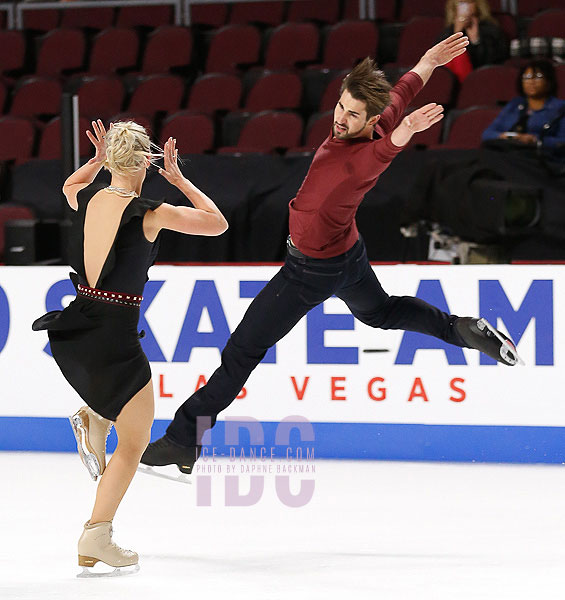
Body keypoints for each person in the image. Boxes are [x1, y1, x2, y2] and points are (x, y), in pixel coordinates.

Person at [141, 33, 521, 476]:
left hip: (308, 272)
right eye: (341, 106)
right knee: (380, 311)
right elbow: (400, 93)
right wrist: (428, 61)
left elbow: (386, 148)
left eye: (352, 114)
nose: (341, 118)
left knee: (241, 351)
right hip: (348, 257)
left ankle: (183, 438)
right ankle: (460, 330)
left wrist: (406, 133)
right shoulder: (374, 120)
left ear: (371, 120)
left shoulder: (366, 154)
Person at [32, 120, 227, 575]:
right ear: (143, 161)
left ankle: (95, 417)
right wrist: (180, 181)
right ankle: (96, 532)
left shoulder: (86, 197)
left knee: (127, 419)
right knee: (136, 439)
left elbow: (70, 183)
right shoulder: (149, 211)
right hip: (115, 336)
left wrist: (95, 162)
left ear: (112, 159)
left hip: (79, 324)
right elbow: (217, 225)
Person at [482, 59, 565, 158]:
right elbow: (487, 134)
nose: (531, 82)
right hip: (508, 152)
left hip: (541, 158)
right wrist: (504, 136)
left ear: (549, 81)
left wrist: (534, 139)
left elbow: (562, 142)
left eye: (538, 77)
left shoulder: (560, 107)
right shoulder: (515, 105)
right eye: (527, 77)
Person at [439, 0, 507, 81]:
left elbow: (495, 57)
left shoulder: (489, 28)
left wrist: (476, 40)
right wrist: (456, 32)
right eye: (461, 3)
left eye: (469, 3)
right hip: (452, 77)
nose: (465, 7)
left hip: (482, 74)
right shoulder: (450, 29)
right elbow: (439, 53)